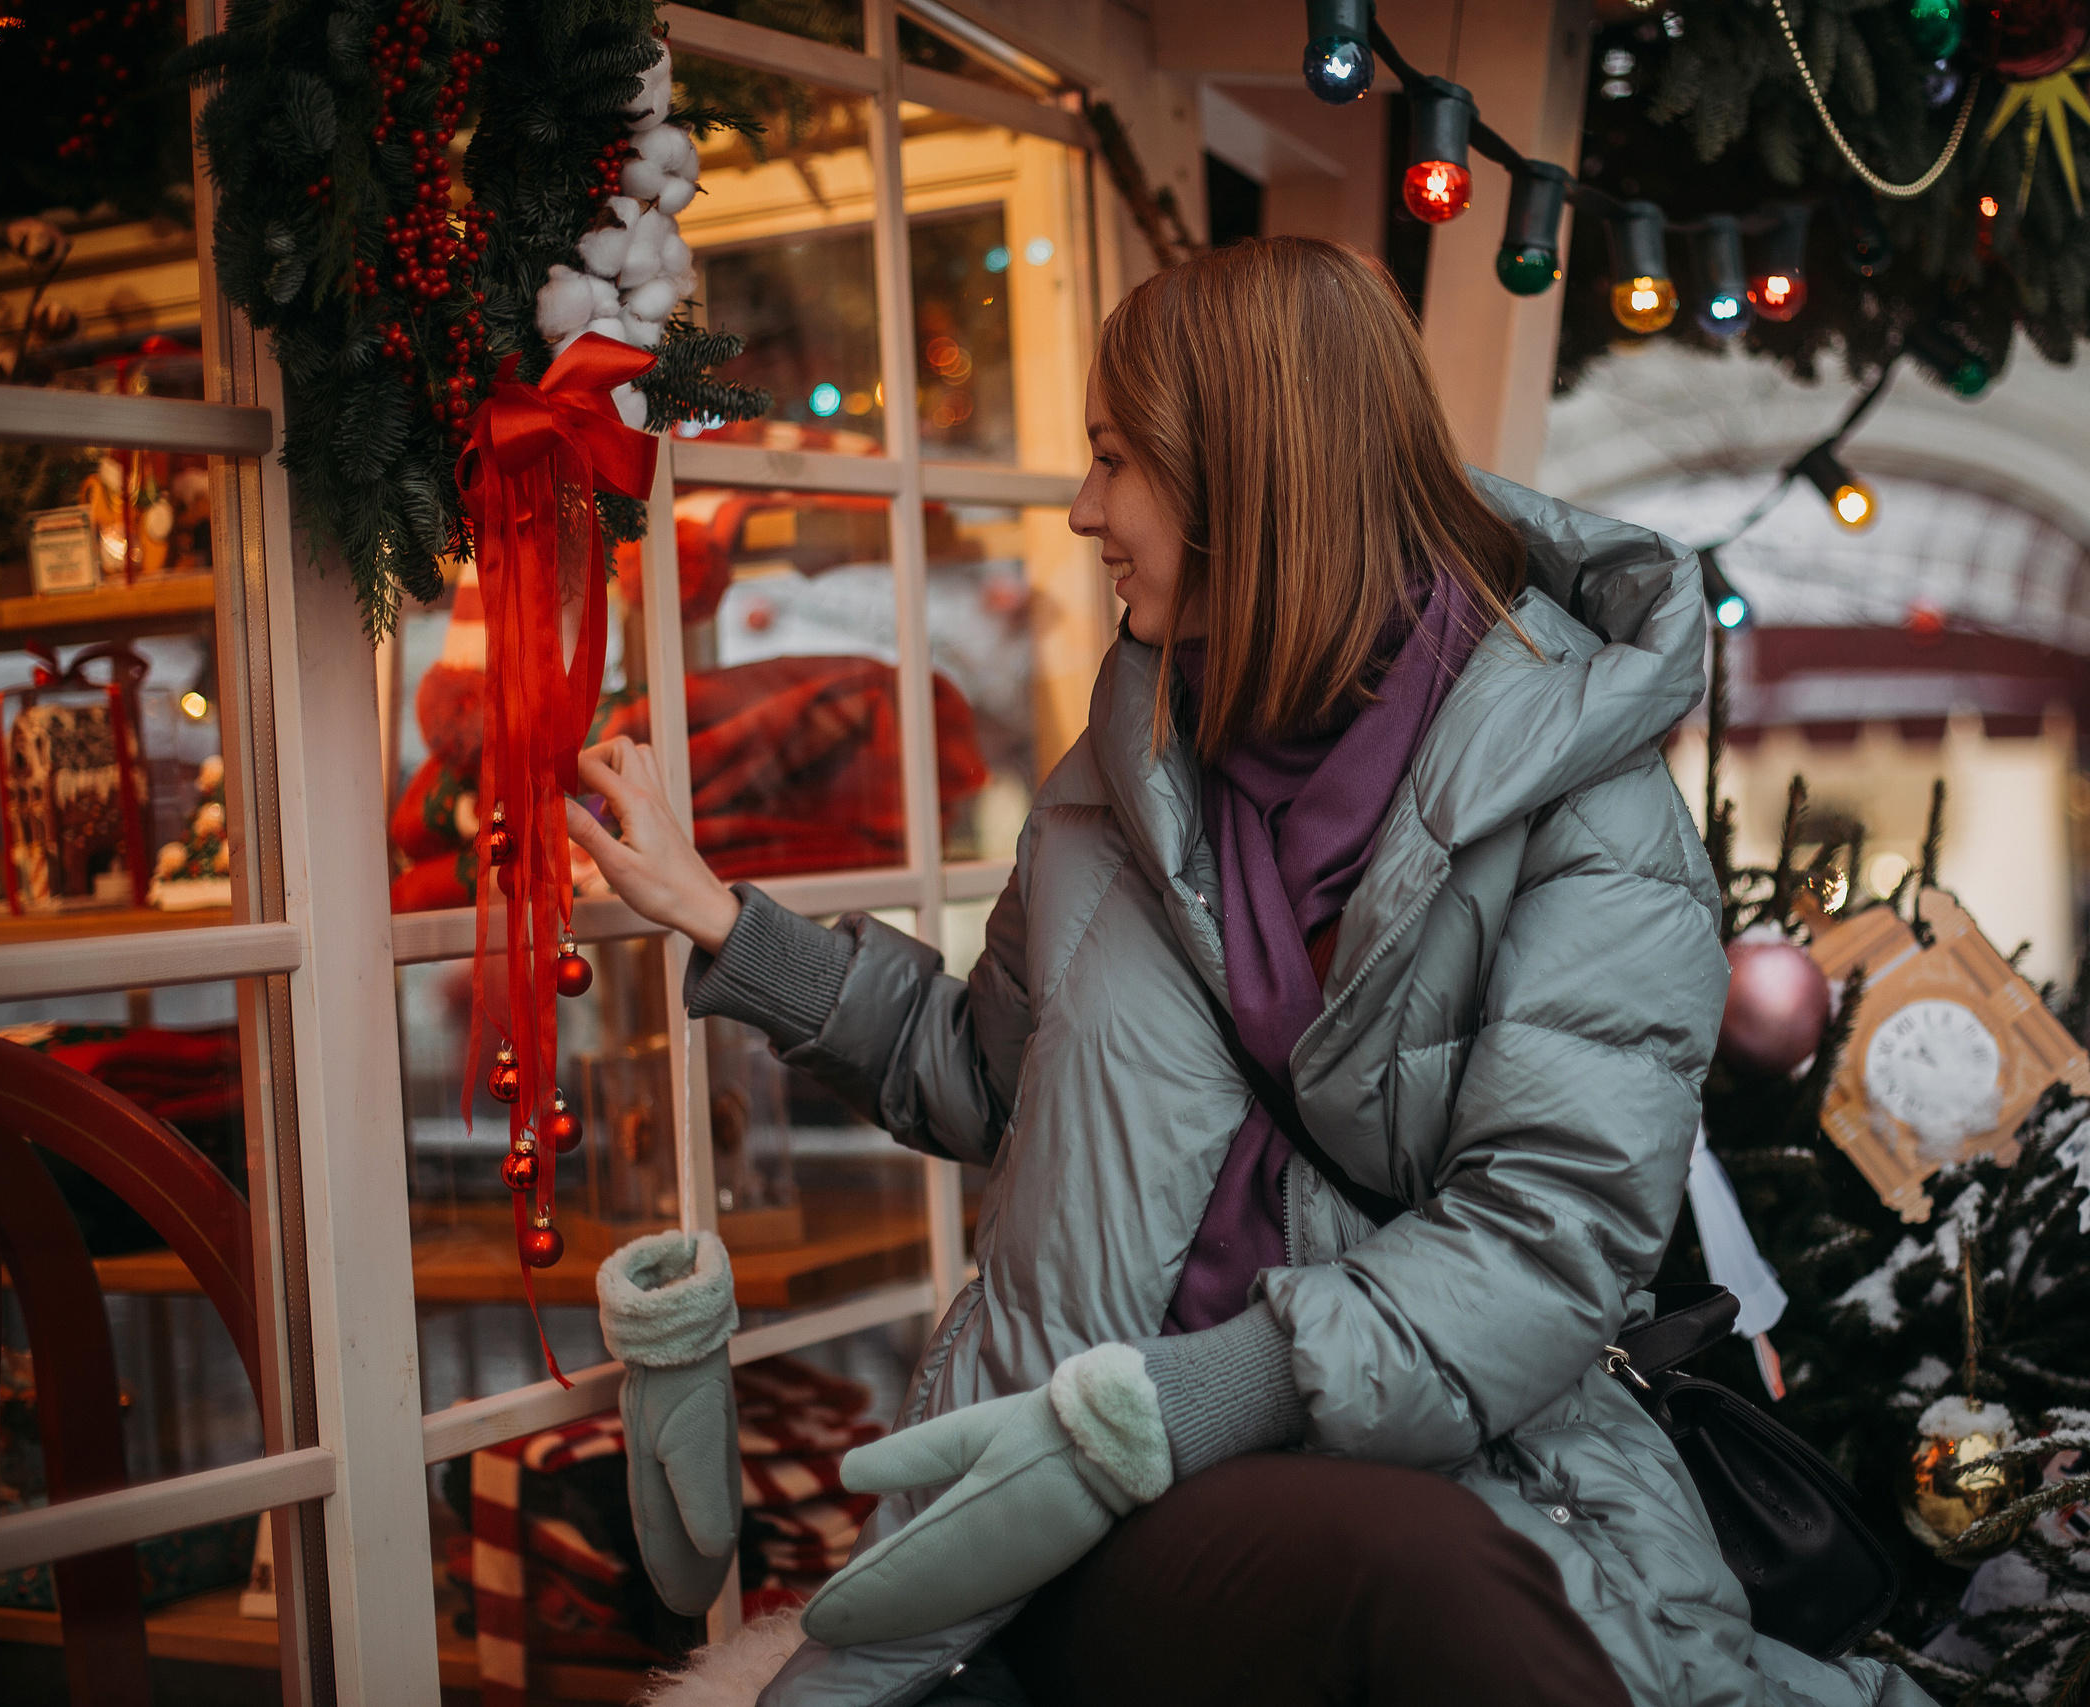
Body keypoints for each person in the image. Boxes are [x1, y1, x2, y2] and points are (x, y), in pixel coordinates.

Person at [570, 237, 1932, 1707]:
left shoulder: (1585, 810)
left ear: (1245, 472)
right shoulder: (1123, 771)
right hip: (1076, 1488)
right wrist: (723, 923)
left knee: (1424, 1575)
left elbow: (1549, 1237)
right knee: (1403, 1582)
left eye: (1114, 460)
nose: (1086, 510)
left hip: (1422, 1465)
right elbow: (988, 1074)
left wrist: (1205, 1395)